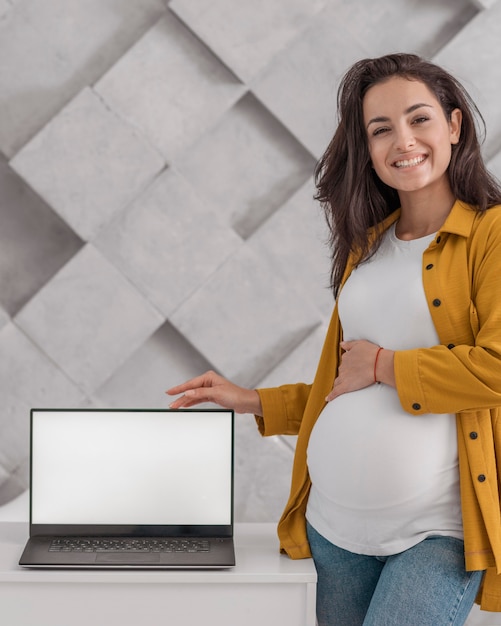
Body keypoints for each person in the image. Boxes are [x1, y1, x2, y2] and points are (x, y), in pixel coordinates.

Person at [167, 53, 501, 625]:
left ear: (453, 125)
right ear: (367, 149)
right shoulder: (365, 248)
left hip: (437, 532)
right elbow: (344, 385)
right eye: (380, 129)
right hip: (334, 531)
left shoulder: (490, 234)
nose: (403, 140)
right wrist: (250, 399)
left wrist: (384, 364)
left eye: (419, 119)